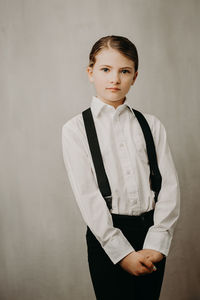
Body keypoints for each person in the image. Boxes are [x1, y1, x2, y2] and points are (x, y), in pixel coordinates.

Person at [62, 35, 180, 299]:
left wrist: (157, 243)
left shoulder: (151, 124)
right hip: (107, 236)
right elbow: (88, 197)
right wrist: (122, 253)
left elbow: (169, 188)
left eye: (124, 71)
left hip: (151, 233)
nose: (114, 79)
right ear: (91, 73)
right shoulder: (75, 129)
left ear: (134, 77)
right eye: (106, 70)